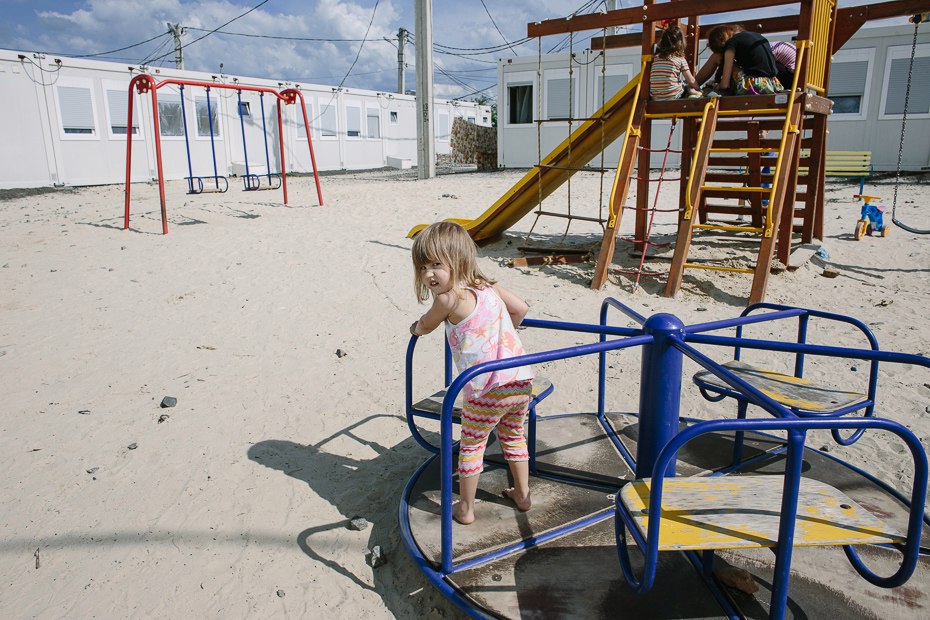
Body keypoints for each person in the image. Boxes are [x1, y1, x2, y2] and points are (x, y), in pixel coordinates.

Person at [410, 221, 535, 525]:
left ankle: (465, 509)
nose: (429, 274)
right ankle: (522, 494)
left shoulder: (447, 299)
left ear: (458, 260)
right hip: (519, 380)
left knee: (472, 445)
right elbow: (520, 309)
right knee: (514, 436)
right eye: (423, 266)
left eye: (436, 265)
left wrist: (415, 328)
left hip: (486, 389)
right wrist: (500, 336)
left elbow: (427, 325)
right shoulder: (487, 286)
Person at [696, 25, 782, 96]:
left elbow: (725, 85)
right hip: (773, 85)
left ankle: (692, 86)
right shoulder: (756, 36)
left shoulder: (732, 43)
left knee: (717, 57)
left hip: (755, 86)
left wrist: (718, 86)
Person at [649, 24, 702, 100]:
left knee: (678, 83)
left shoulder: (656, 57)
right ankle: (693, 93)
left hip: (655, 97)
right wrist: (699, 89)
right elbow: (690, 79)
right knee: (686, 85)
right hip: (672, 95)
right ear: (681, 42)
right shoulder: (680, 59)